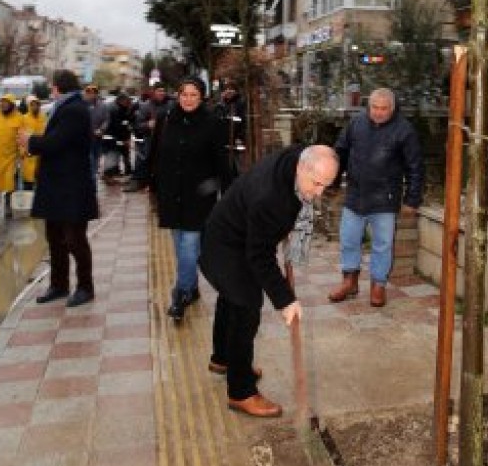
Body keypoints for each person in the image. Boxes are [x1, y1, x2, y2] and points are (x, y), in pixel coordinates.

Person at [200, 144, 339, 418]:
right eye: (316, 183)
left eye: (327, 185)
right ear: (302, 167)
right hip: (227, 245)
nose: (319, 193)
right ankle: (241, 392)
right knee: (246, 304)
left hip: (230, 230)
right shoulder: (271, 198)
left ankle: (223, 359)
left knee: (231, 298)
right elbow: (260, 255)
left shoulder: (296, 160)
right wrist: (285, 300)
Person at [327, 88, 424, 308]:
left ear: (392, 108)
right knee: (349, 240)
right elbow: (340, 153)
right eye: (375, 108)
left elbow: (415, 168)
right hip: (355, 195)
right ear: (368, 106)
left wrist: (412, 199)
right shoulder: (356, 124)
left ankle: (378, 285)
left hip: (385, 199)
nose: (379, 112)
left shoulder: (404, 130)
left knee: (382, 245)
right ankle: (349, 281)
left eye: (384, 109)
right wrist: (331, 182)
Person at [152, 78, 233, 321]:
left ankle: (181, 293)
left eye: (193, 95)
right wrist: (147, 180)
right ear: (178, 96)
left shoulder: (212, 123)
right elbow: (155, 152)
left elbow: (222, 161)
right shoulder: (166, 119)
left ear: (202, 98)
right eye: (184, 94)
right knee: (180, 245)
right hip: (171, 194)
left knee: (188, 245)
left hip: (199, 196)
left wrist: (226, 191)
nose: (188, 99)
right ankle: (192, 285)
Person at [18, 69, 99, 308]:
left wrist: (30, 141)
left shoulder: (74, 110)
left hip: (72, 187)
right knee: (54, 238)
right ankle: (59, 284)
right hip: (57, 186)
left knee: (75, 239)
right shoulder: (66, 106)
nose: (51, 90)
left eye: (53, 86)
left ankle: (85, 287)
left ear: (58, 87)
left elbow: (57, 142)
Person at [125, 83, 169, 192]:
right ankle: (139, 182)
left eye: (163, 90)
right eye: (159, 90)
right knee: (143, 161)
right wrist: (147, 125)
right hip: (150, 140)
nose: (161, 93)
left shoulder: (170, 105)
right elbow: (138, 125)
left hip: (166, 141)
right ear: (153, 92)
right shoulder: (146, 106)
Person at [214, 81, 248, 176]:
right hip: (222, 143)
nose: (229, 91)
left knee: (238, 169)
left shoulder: (240, 104)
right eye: (226, 89)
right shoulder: (219, 106)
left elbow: (243, 123)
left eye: (231, 89)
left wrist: (240, 138)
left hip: (237, 142)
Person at [19, 95, 47, 190]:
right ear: (29, 106)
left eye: (37, 105)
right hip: (28, 155)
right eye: (32, 105)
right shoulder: (24, 118)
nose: (35, 107)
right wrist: (22, 151)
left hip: (41, 154)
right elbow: (20, 135)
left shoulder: (43, 118)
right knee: (28, 181)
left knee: (41, 180)